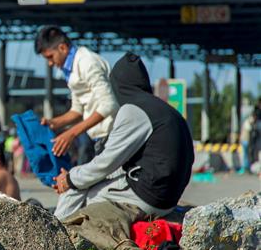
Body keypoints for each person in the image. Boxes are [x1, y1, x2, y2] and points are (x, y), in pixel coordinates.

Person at [53, 53, 194, 220]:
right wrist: (74, 175)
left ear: (118, 85)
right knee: (80, 178)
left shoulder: (134, 110)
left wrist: (69, 180)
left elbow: (106, 162)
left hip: (146, 196)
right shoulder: (165, 110)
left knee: (75, 189)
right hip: (168, 198)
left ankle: (55, 236)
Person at [35, 26, 118, 164]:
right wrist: (53, 123)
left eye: (50, 57)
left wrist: (72, 133)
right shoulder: (71, 69)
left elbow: (109, 105)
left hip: (110, 137)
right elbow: (77, 110)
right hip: (98, 138)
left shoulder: (87, 63)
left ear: (62, 48)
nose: (49, 63)